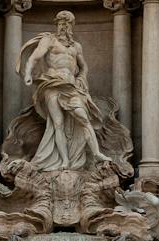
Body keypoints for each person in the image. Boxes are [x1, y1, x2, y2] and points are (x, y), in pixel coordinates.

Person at [20, 10, 112, 171]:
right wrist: (28, 73)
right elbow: (34, 57)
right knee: (58, 124)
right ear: (56, 24)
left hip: (71, 86)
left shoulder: (76, 46)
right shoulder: (48, 40)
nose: (64, 26)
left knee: (84, 118)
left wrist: (81, 78)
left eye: (67, 23)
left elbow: (83, 67)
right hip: (51, 83)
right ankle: (64, 161)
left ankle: (96, 153)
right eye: (61, 23)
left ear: (72, 26)